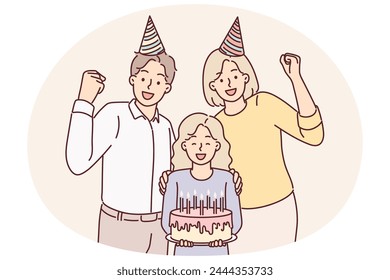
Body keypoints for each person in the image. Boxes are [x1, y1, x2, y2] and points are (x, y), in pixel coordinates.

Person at [202, 17, 324, 253]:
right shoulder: (214, 124)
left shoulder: (264, 104)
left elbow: (313, 135)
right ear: (212, 86)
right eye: (220, 78)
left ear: (246, 78)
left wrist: (295, 78)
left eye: (235, 75)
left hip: (280, 206)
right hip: (235, 213)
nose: (229, 82)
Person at [65, 16, 177, 254]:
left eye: (158, 81)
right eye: (145, 78)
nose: (150, 86)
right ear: (132, 79)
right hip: (119, 224)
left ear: (167, 87)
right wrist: (84, 101)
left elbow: (172, 172)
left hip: (160, 224)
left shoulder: (166, 126)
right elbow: (77, 162)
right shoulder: (114, 114)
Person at [161, 113, 242, 256]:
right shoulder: (175, 179)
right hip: (183, 252)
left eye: (207, 143)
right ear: (184, 145)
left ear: (217, 145)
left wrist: (221, 236)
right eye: (193, 143)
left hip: (218, 252)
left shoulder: (227, 179)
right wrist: (181, 236)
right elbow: (167, 220)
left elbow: (235, 221)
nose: (200, 148)